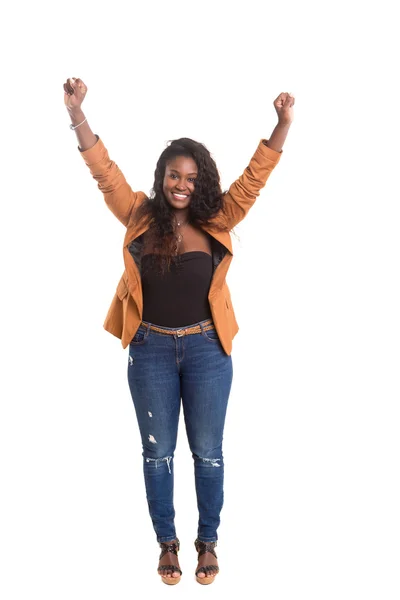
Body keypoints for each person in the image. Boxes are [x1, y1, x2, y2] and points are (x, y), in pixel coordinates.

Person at [63, 76, 294, 585]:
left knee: (208, 452)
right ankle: (167, 543)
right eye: (173, 175)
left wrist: (280, 126)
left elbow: (254, 179)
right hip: (149, 350)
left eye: (190, 176)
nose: (181, 184)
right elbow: (105, 174)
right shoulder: (139, 213)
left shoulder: (218, 216)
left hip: (208, 349)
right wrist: (77, 114)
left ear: (201, 179)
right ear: (162, 177)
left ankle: (207, 540)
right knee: (157, 451)